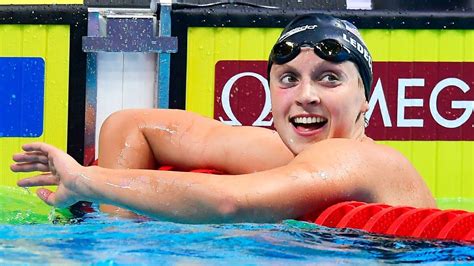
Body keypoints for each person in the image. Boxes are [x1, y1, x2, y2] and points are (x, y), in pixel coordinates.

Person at [10, 13, 436, 223]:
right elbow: (131, 125)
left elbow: (228, 202)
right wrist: (118, 240)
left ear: (367, 99)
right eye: (289, 79)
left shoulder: (360, 160)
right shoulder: (283, 153)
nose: (306, 96)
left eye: (329, 79)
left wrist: (86, 181)